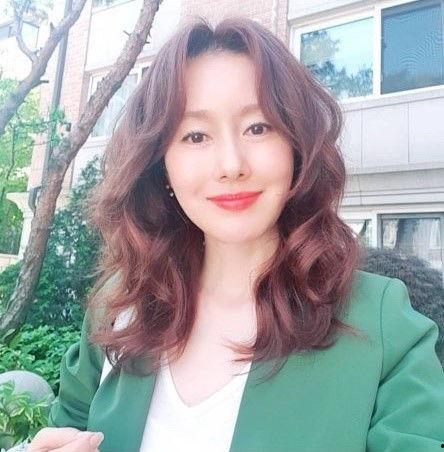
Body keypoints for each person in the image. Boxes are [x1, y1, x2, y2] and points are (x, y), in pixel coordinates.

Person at [26, 15, 444, 452]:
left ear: (297, 147)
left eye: (258, 127)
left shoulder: (382, 324)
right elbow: (68, 424)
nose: (231, 165)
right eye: (195, 136)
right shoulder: (119, 305)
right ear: (161, 164)